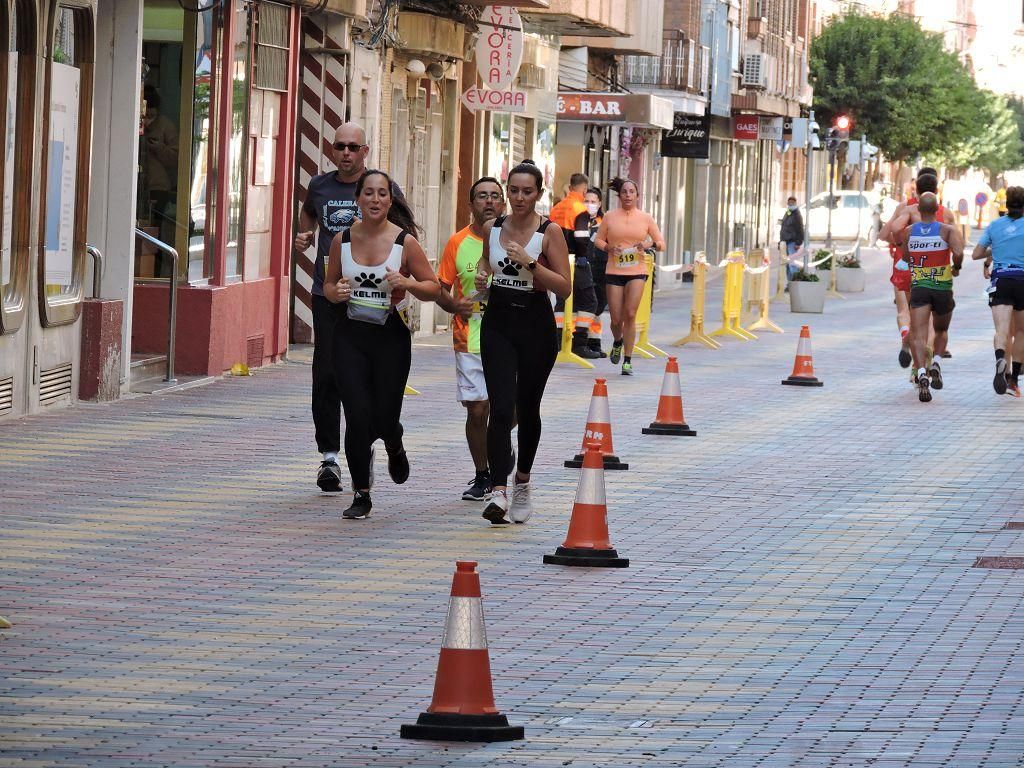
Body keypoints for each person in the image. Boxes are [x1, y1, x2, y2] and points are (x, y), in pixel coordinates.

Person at [322, 170, 440, 519]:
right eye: (369, 193)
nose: (375, 200)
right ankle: (362, 492)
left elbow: (433, 287)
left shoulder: (405, 242)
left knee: (385, 416)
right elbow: (328, 286)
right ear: (358, 198)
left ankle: (394, 439)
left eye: (382, 194)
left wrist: (406, 281)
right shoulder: (341, 240)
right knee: (357, 415)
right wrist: (336, 292)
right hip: (350, 335)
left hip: (391, 336)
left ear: (391, 200)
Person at [295, 122, 401, 494]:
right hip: (328, 297)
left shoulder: (378, 187)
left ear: (365, 151)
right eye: (340, 146)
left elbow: (403, 234)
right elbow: (307, 213)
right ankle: (328, 458)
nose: (346, 153)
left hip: (371, 300)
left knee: (365, 379)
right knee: (326, 374)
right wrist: (304, 235)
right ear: (331, 148)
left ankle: (366, 442)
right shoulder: (319, 186)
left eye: (353, 147)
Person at [474, 161, 571, 525]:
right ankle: (498, 490)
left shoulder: (550, 232)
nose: (518, 198)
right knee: (499, 407)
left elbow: (564, 286)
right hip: (498, 321)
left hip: (535, 324)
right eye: (512, 190)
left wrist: (531, 263)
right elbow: (487, 261)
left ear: (539, 194)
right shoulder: (493, 227)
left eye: (526, 191)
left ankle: (523, 482)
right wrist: (484, 275)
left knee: (527, 408)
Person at [436, 177, 505, 501]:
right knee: (478, 411)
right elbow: (440, 287)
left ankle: (500, 444)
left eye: (494, 196)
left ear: (503, 203)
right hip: (470, 339)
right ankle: (483, 473)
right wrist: (453, 305)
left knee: (511, 409)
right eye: (481, 196)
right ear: (470, 205)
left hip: (509, 338)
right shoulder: (457, 243)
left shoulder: (515, 239)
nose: (488, 201)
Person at [880, 171, 954, 369]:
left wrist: (900, 243)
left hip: (905, 265)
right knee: (928, 321)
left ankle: (906, 337)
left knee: (906, 311)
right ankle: (921, 366)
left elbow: (886, 232)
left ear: (916, 189)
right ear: (937, 191)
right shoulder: (944, 213)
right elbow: (955, 241)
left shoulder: (906, 208)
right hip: (932, 270)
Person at [594, 180, 666, 375]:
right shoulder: (609, 216)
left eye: (631, 192)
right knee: (616, 318)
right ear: (620, 195)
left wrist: (648, 245)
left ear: (637, 195)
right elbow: (598, 240)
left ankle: (627, 359)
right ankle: (617, 341)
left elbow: (661, 243)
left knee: (631, 314)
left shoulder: (646, 218)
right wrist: (609, 247)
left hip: (637, 271)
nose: (627, 195)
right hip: (614, 271)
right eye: (624, 192)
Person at [899, 192, 964, 402]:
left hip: (919, 287)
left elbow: (907, 258)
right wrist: (956, 266)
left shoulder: (909, 232)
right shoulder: (947, 230)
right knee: (941, 329)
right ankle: (935, 361)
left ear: (918, 210)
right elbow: (959, 252)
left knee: (918, 335)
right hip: (942, 287)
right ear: (938, 210)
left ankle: (921, 375)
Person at [971, 186, 1024, 396]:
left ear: (1006, 204)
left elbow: (976, 254)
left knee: (1002, 330)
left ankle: (1000, 359)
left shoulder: (994, 226)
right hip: (1023, 280)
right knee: (1021, 332)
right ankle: (1013, 381)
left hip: (1001, 279)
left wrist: (996, 250)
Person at [550, 173, 596, 355]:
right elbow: (581, 237)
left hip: (557, 261)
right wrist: (583, 256)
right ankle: (580, 344)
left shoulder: (557, 208)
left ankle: (559, 341)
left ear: (571, 187)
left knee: (562, 302)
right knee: (588, 301)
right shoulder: (580, 209)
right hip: (576, 261)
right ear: (584, 190)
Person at [575, 187, 608, 357]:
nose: (589, 204)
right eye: (586, 201)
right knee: (586, 306)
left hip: (601, 270)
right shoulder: (579, 220)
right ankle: (580, 343)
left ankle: (594, 343)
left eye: (593, 201)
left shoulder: (605, 222)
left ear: (599, 203)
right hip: (583, 269)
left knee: (598, 308)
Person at [779, 196, 804, 283]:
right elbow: (784, 227)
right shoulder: (788, 213)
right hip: (785, 242)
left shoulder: (797, 215)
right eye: (789, 203)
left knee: (792, 264)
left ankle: (795, 283)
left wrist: (798, 242)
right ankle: (790, 284)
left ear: (795, 203)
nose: (790, 204)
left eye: (792, 203)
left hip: (792, 242)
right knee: (787, 265)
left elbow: (800, 229)